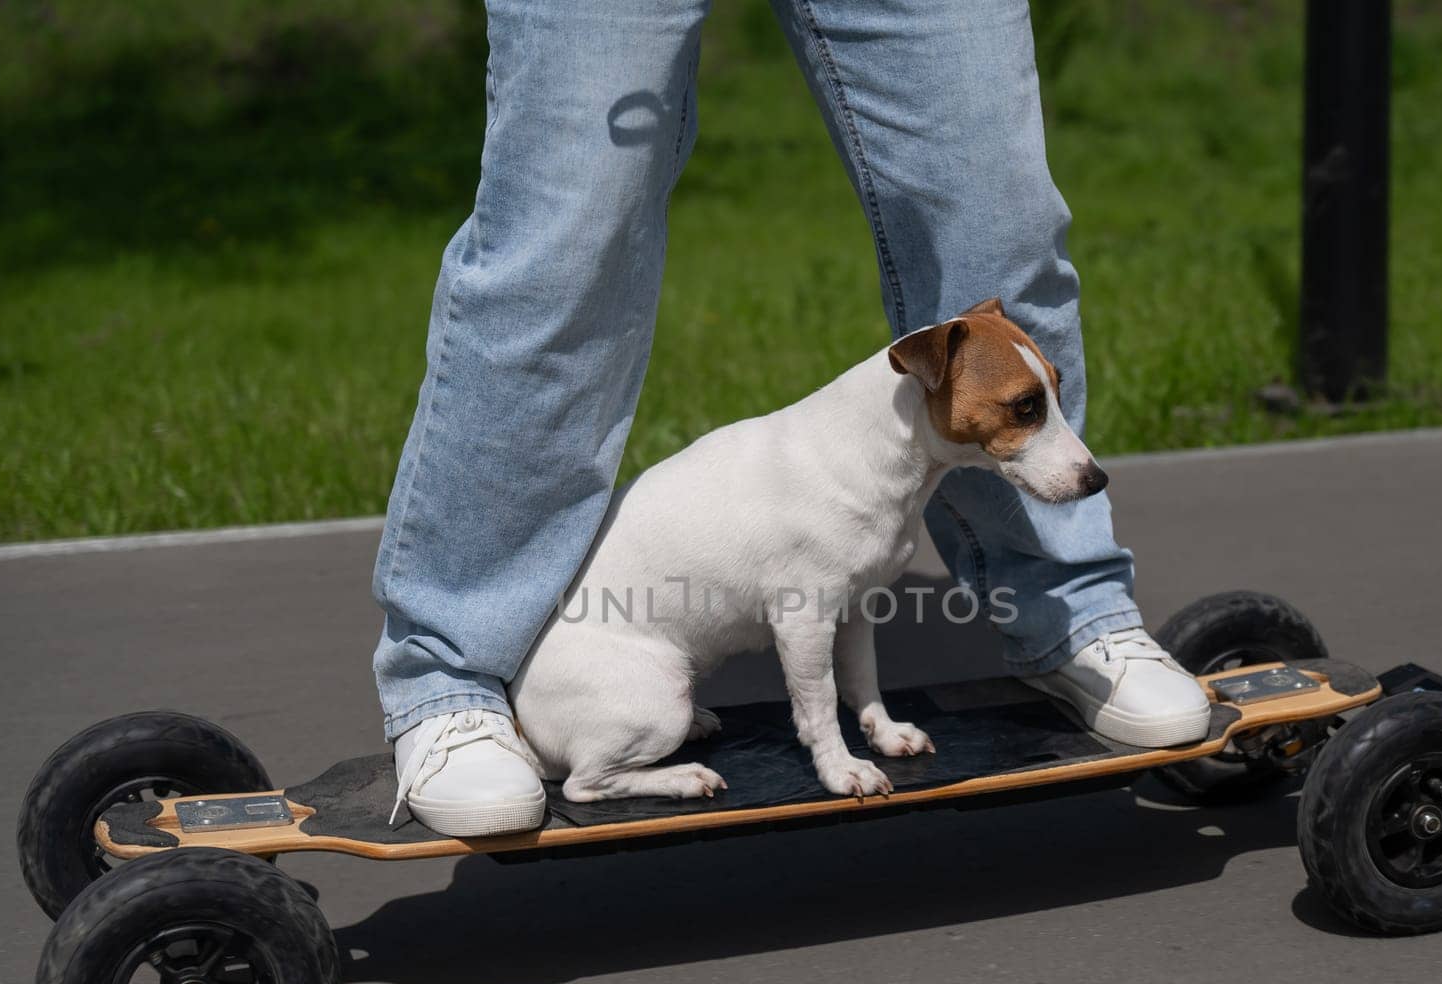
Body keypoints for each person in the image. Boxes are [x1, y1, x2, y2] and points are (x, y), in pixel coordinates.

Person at [373, 0, 1210, 836]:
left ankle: (1072, 610)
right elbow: (805, 607)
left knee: (1001, 219)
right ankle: (451, 680)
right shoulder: (836, 473)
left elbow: (844, 602)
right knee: (563, 246)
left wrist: (874, 715)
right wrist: (831, 744)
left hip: (700, 628)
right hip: (627, 673)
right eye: (1027, 410)